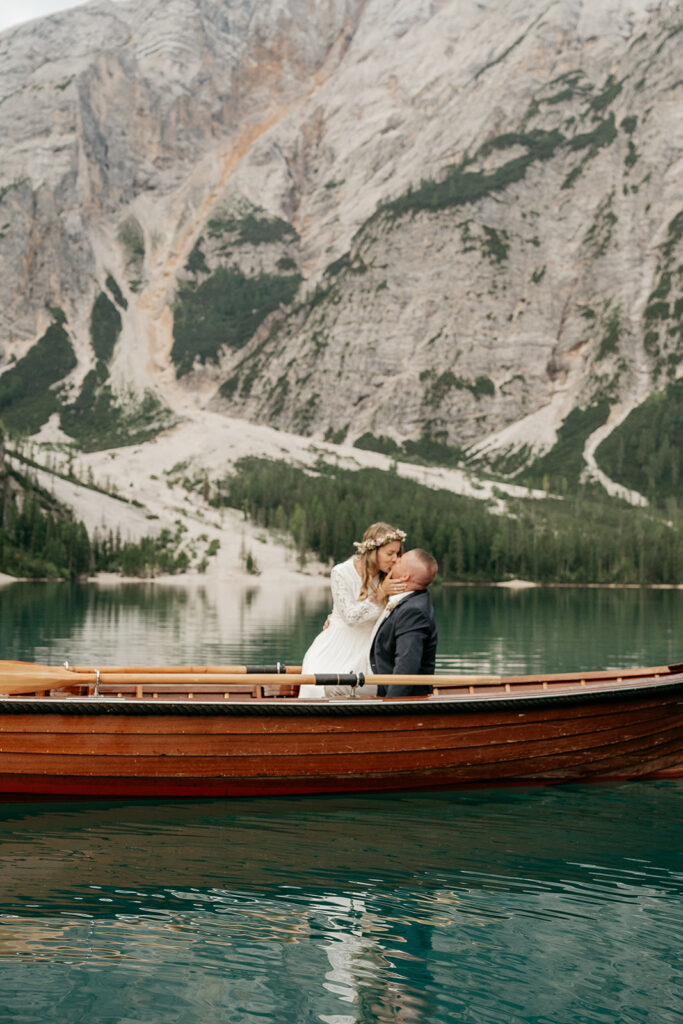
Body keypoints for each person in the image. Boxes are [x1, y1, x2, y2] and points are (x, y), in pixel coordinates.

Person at [298, 523, 409, 698]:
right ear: (373, 552)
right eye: (390, 553)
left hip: (370, 653)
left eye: (398, 553)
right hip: (337, 648)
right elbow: (350, 618)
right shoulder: (341, 572)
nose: (395, 559)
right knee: (318, 692)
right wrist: (381, 593)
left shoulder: (389, 575)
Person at [369, 548, 438, 697]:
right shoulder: (409, 599)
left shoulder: (413, 611)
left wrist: (391, 708)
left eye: (400, 560)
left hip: (396, 694)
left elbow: (406, 668)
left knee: (332, 689)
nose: (395, 560)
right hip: (380, 678)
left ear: (405, 576)